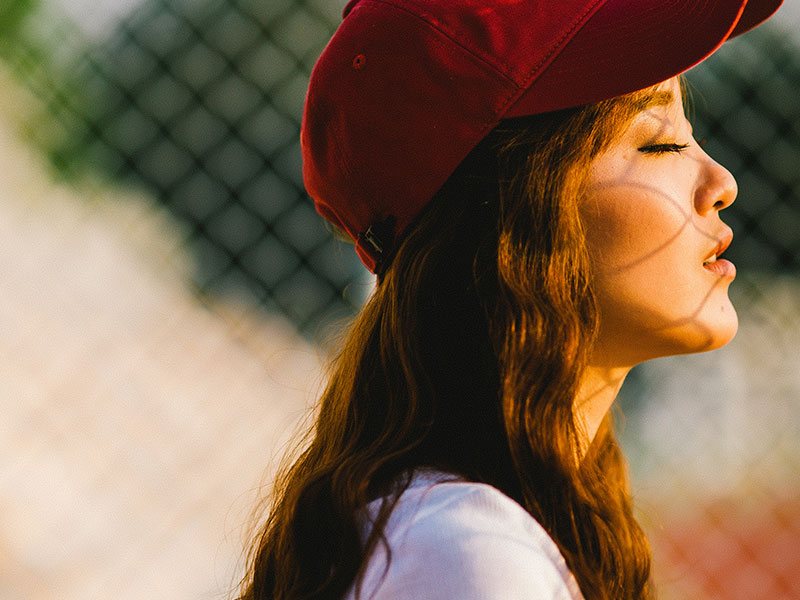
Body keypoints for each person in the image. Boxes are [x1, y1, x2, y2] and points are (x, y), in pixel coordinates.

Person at [239, 1, 784, 599]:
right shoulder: (468, 556)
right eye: (660, 143)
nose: (722, 182)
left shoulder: (463, 532)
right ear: (508, 211)